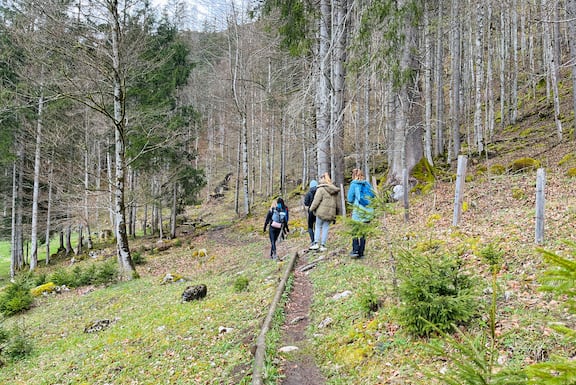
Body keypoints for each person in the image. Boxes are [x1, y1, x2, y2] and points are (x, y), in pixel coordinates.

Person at [347, 168, 375, 258]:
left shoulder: (354, 184)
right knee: (363, 232)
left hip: (358, 211)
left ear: (353, 175)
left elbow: (350, 198)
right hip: (368, 211)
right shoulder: (367, 184)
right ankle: (361, 252)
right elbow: (373, 195)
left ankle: (355, 250)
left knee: (355, 230)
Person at [309, 172, 339, 252]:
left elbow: (316, 201)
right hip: (330, 213)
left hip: (321, 212)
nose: (319, 180)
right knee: (326, 228)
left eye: (320, 178)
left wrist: (311, 209)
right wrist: (336, 213)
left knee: (318, 227)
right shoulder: (334, 190)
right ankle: (323, 245)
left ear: (323, 179)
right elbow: (336, 203)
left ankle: (316, 243)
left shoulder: (321, 189)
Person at [303, 180, 318, 246]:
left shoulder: (308, 193)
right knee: (317, 226)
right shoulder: (319, 192)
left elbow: (306, 203)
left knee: (310, 227)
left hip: (311, 211)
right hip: (318, 211)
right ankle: (317, 240)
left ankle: (313, 240)